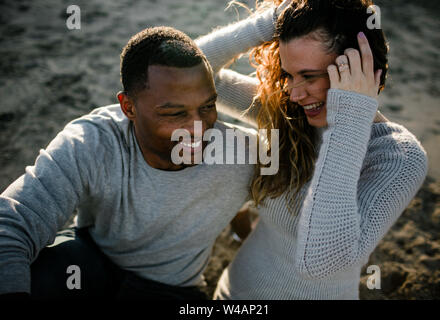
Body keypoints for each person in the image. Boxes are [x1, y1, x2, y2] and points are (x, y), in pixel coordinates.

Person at [0, 26, 256, 299]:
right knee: (44, 270)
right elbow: (12, 223)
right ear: (129, 108)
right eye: (175, 113)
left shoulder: (243, 153)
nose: (198, 128)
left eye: (207, 106)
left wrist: (244, 233)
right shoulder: (92, 142)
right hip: (90, 261)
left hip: (171, 289)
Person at [194, 0, 428, 299]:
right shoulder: (290, 114)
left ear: (362, 70)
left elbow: (321, 262)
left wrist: (349, 121)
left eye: (309, 76)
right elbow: (190, 74)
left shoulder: (399, 158)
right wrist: (269, 23)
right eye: (290, 75)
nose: (294, 92)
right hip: (231, 295)